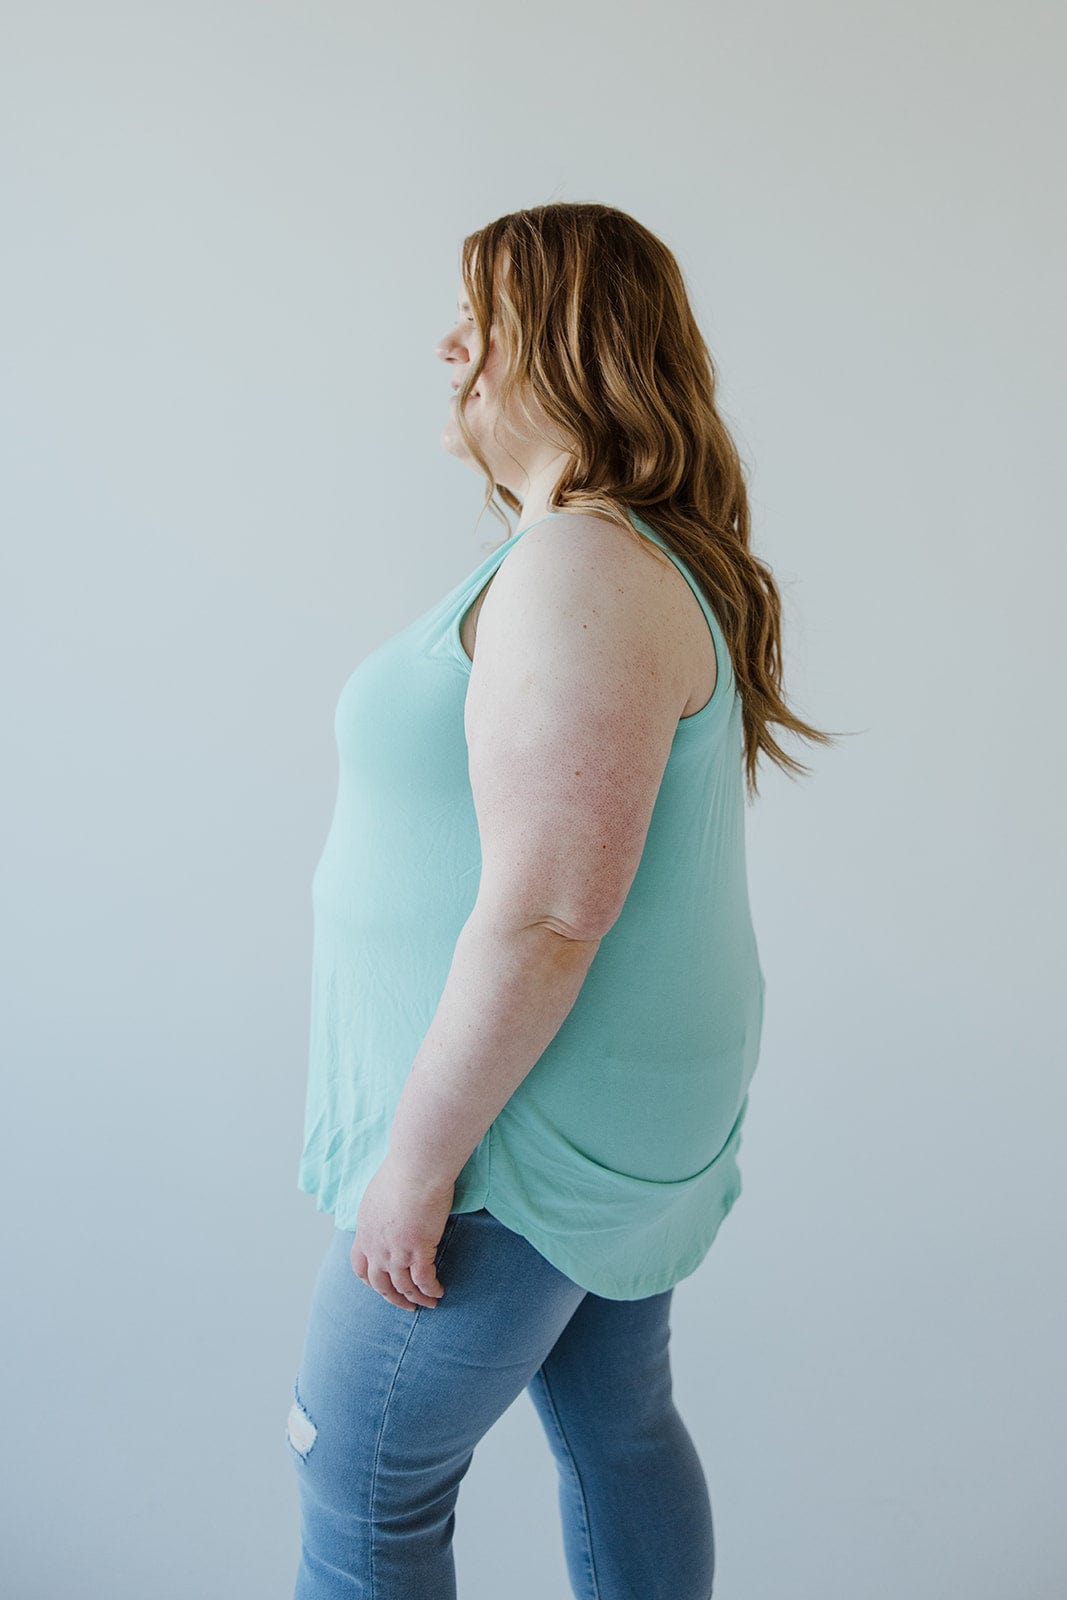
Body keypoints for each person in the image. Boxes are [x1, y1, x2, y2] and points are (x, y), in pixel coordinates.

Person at [286, 201, 836, 1599]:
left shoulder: (582, 565)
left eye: (487, 315)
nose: (450, 345)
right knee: (618, 1428)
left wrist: (416, 1170)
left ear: (575, 345)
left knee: (357, 1477)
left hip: (515, 1138)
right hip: (573, 1112)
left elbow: (549, 909)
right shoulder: (599, 559)